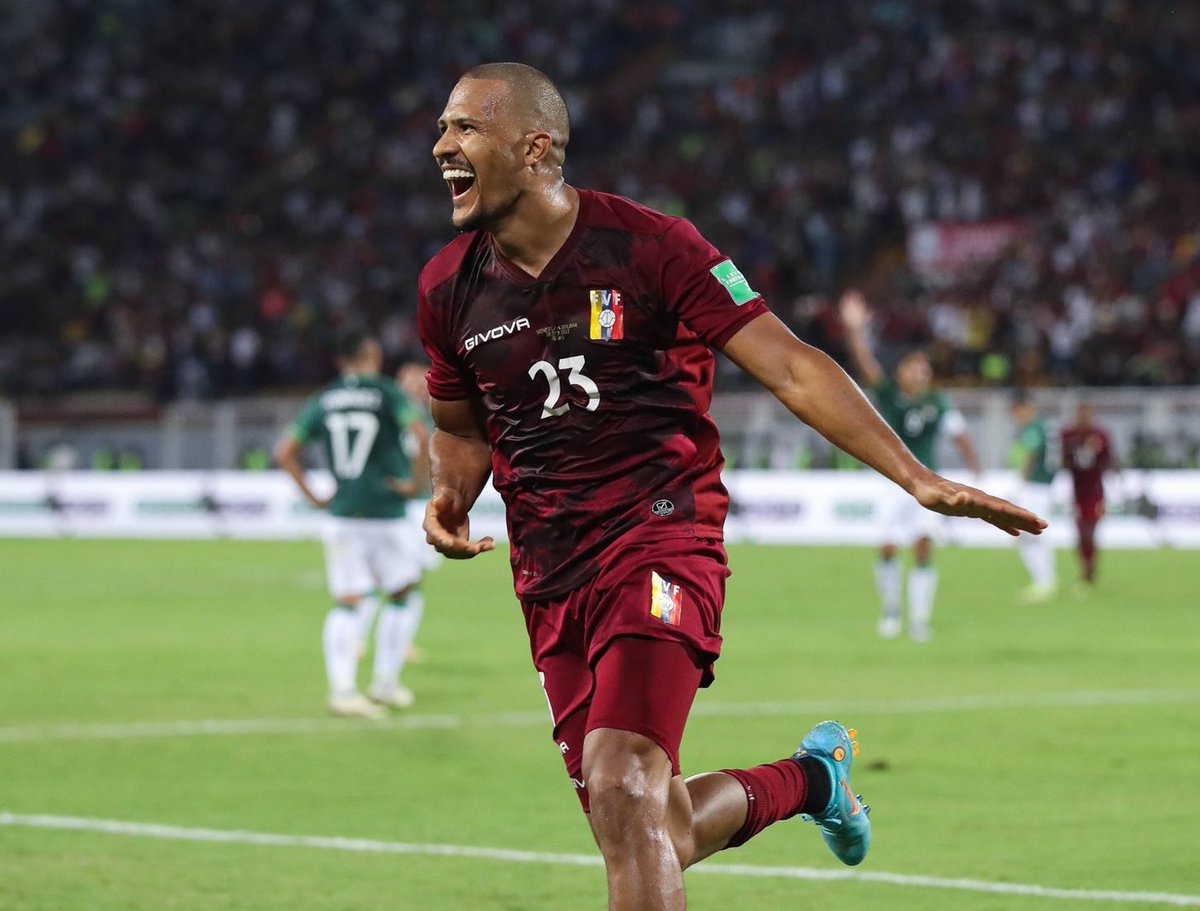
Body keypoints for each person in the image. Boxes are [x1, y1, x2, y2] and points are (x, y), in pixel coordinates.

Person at [418, 62, 1044, 911]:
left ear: (535, 148)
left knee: (624, 780)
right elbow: (461, 427)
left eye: (464, 128)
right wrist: (450, 495)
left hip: (660, 534)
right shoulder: (447, 289)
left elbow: (789, 365)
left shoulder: (652, 247)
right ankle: (813, 780)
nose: (441, 145)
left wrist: (915, 477)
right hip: (549, 572)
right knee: (653, 826)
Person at [275, 330, 429, 718]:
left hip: (342, 513)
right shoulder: (386, 393)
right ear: (372, 354)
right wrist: (415, 484)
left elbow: (285, 451)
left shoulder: (324, 399)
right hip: (386, 512)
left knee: (348, 601)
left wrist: (313, 497)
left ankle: (343, 690)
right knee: (402, 592)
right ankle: (384, 684)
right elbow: (420, 435)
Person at [838, 290, 983, 641]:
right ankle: (890, 609)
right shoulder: (889, 395)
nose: (922, 372)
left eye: (925, 367)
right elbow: (866, 365)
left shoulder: (938, 402)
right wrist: (855, 330)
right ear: (901, 371)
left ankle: (919, 619)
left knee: (922, 546)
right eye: (915, 366)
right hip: (892, 482)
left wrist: (975, 467)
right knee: (888, 547)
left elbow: (959, 435)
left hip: (927, 482)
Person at [1009, 391, 1058, 601]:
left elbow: (1031, 454)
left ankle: (1043, 582)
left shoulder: (1034, 429)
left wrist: (1020, 482)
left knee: (1030, 534)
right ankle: (1044, 580)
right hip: (1042, 487)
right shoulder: (1044, 428)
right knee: (1031, 535)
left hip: (1034, 487)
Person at [1060, 402, 1116, 583]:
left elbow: (1109, 460)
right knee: (1079, 532)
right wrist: (1078, 458)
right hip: (1076, 492)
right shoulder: (1068, 435)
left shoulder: (1099, 435)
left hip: (1096, 491)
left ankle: (1090, 566)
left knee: (1090, 530)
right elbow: (1062, 462)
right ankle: (1085, 564)